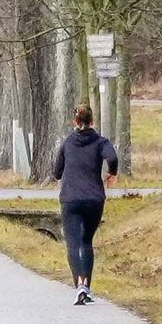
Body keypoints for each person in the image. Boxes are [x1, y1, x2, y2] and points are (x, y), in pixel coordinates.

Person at [48, 104, 119, 303]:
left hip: (70, 199)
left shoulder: (68, 143)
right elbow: (112, 157)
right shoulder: (100, 142)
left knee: (73, 243)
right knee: (86, 241)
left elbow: (56, 172)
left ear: (74, 122)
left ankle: (79, 285)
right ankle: (85, 286)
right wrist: (112, 173)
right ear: (92, 122)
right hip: (94, 199)